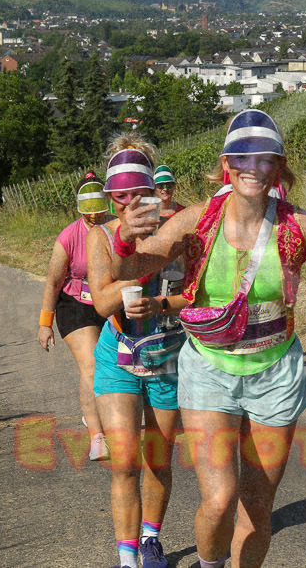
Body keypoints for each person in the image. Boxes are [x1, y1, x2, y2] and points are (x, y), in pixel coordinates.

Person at [111, 109, 306, 568]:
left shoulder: (298, 226)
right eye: (242, 158)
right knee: (219, 500)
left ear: (277, 167)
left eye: (265, 159)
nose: (252, 168)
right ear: (226, 164)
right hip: (209, 371)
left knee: (256, 510)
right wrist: (123, 240)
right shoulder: (198, 221)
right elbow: (135, 269)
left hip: (275, 375)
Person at [86, 134, 185, 568]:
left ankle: (150, 539)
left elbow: (198, 296)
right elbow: (102, 303)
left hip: (166, 357)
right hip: (119, 355)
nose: (129, 202)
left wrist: (161, 303)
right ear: (110, 197)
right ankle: (127, 558)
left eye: (138, 192)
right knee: (125, 461)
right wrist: (125, 247)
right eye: (120, 195)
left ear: (152, 190)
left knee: (158, 460)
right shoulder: (101, 236)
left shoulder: (177, 232)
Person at [37, 172, 111, 462]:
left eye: (99, 211)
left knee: (121, 364)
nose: (94, 217)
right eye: (88, 213)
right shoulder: (68, 237)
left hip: (110, 301)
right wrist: (45, 324)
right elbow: (53, 282)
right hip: (75, 304)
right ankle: (97, 436)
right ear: (80, 210)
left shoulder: (117, 229)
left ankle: (116, 418)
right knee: (91, 364)